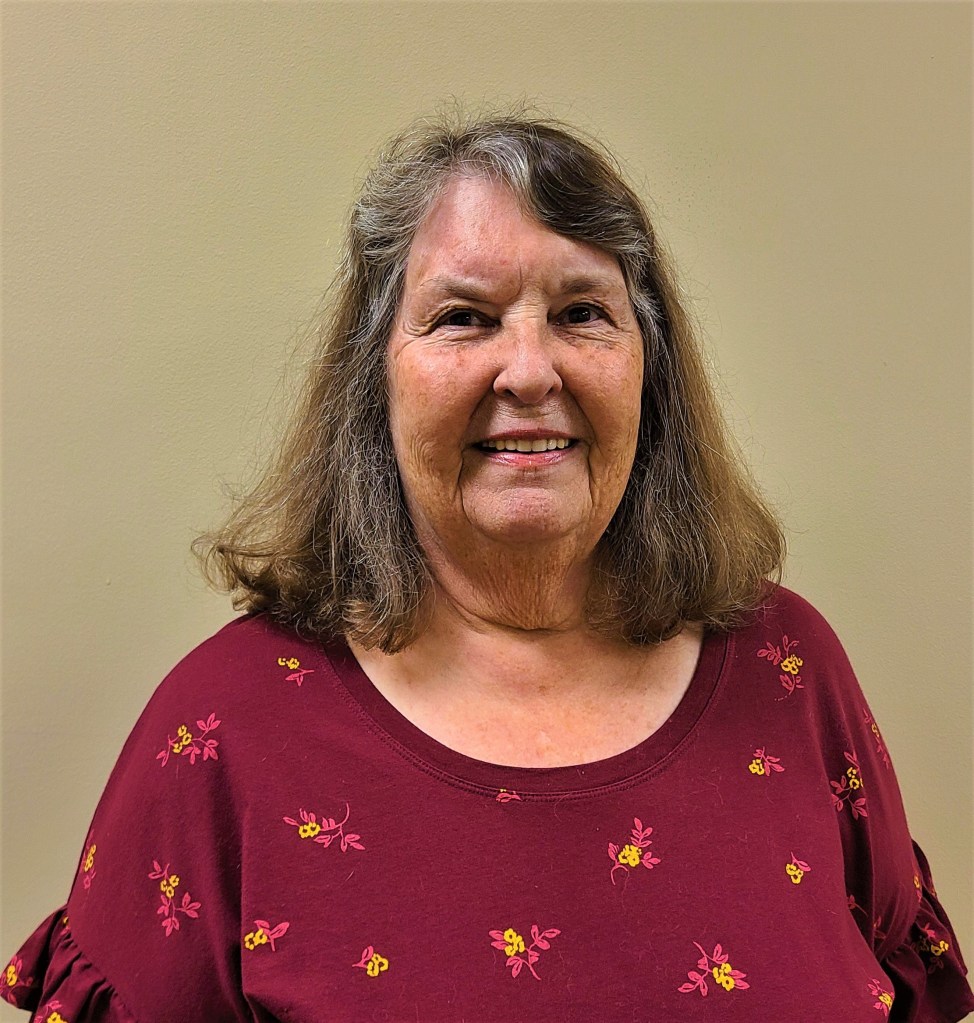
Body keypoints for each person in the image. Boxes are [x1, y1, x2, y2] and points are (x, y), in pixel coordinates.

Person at [3, 113, 971, 1023]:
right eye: (464, 318)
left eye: (581, 312)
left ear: (649, 370)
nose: (530, 371)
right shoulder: (223, 731)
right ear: (375, 378)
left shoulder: (789, 672)